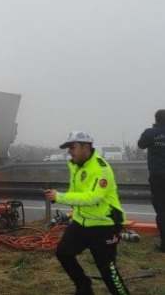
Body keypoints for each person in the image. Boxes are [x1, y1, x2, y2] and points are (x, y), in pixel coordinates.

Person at [44, 131, 130, 295]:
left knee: (107, 269)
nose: (69, 151)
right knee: (63, 252)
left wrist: (60, 196)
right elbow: (79, 195)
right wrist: (59, 198)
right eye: (68, 148)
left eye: (72, 147)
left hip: (104, 224)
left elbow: (93, 197)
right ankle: (84, 288)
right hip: (81, 222)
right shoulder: (77, 165)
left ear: (86, 147)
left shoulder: (100, 168)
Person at [137, 109, 165, 252]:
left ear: (156, 119)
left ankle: (164, 244)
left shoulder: (150, 133)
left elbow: (141, 144)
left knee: (161, 210)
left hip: (158, 177)